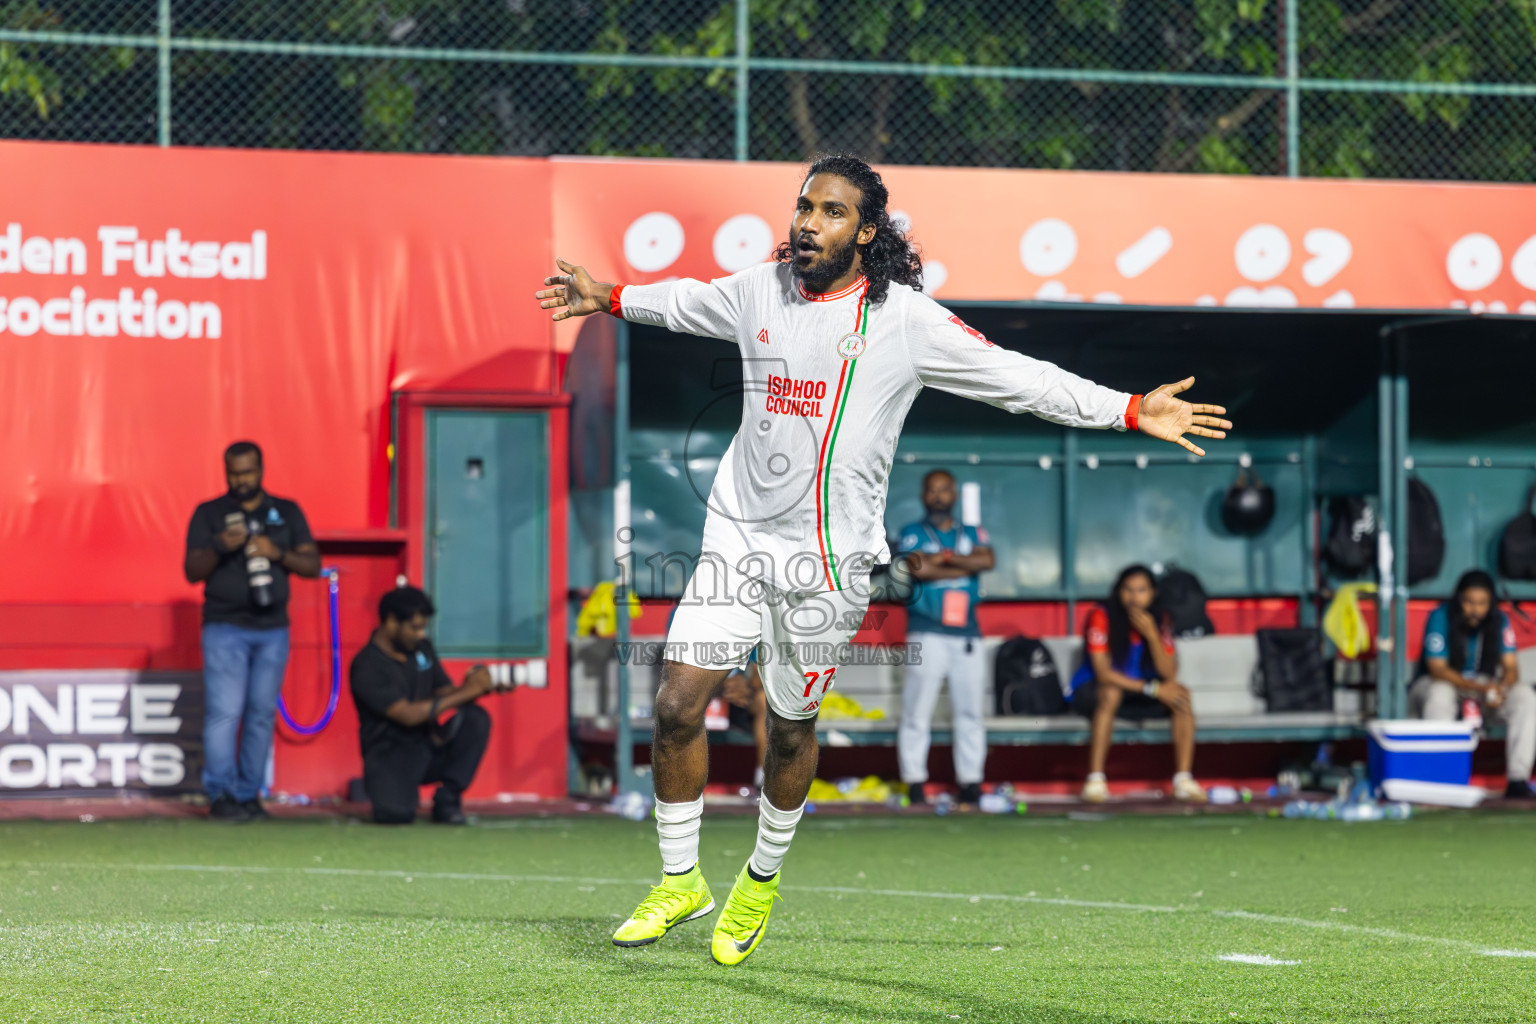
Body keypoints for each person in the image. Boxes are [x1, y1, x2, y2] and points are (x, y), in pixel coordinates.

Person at [535, 153, 1230, 965]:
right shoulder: (761, 287)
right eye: (803, 207)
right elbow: (687, 302)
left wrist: (1127, 408)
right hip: (738, 535)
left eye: (830, 212)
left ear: (865, 232)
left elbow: (1014, 378)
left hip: (830, 563)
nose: (807, 222)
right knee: (677, 703)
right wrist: (608, 296)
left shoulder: (905, 319)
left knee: (790, 732)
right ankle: (681, 880)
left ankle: (759, 880)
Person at [184, 441, 319, 822]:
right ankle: (220, 793)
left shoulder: (286, 512)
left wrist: (278, 554)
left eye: (248, 472)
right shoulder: (210, 513)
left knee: (260, 713)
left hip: (272, 628)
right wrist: (218, 547)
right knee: (224, 712)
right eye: (234, 473)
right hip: (225, 626)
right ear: (225, 471)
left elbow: (312, 564)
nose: (242, 480)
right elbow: (191, 571)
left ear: (262, 468)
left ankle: (249, 794)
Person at [348, 586, 495, 824]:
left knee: (476, 718)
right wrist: (467, 692)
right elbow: (407, 714)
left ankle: (448, 798)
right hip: (390, 754)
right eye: (414, 627)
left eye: (422, 627)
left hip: (430, 744)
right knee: (394, 816)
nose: (420, 634)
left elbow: (446, 692)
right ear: (391, 622)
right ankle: (396, 793)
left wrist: (482, 685)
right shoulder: (366, 666)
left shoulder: (422, 649)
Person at [895, 469, 994, 807]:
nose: (938, 496)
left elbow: (988, 559)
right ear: (924, 495)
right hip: (926, 632)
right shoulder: (911, 531)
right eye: (931, 490)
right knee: (916, 711)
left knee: (970, 713)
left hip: (967, 634)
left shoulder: (972, 530)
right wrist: (965, 566)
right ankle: (915, 783)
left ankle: (970, 783)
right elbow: (918, 568)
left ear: (954, 495)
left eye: (944, 490)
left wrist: (945, 559)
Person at [1067, 565, 1205, 804]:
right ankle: (1095, 781)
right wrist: (1153, 689)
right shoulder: (1102, 616)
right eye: (1128, 590)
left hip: (1140, 691)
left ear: (1153, 594)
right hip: (1095, 692)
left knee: (1182, 695)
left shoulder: (1161, 620)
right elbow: (1104, 674)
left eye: (1141, 590)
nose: (1134, 597)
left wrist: (1152, 635)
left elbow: (1169, 672)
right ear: (1118, 592)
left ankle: (1183, 780)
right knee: (1111, 693)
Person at [1409, 569, 1534, 800]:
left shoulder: (1500, 620)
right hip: (1440, 685)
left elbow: (1510, 667)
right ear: (1459, 599)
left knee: (1525, 696)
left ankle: (1518, 779)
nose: (1474, 609)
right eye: (1468, 602)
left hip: (1483, 688)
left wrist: (1501, 688)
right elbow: (1438, 669)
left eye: (1481, 603)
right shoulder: (1441, 615)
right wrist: (1480, 689)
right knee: (1440, 693)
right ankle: (1439, 779)